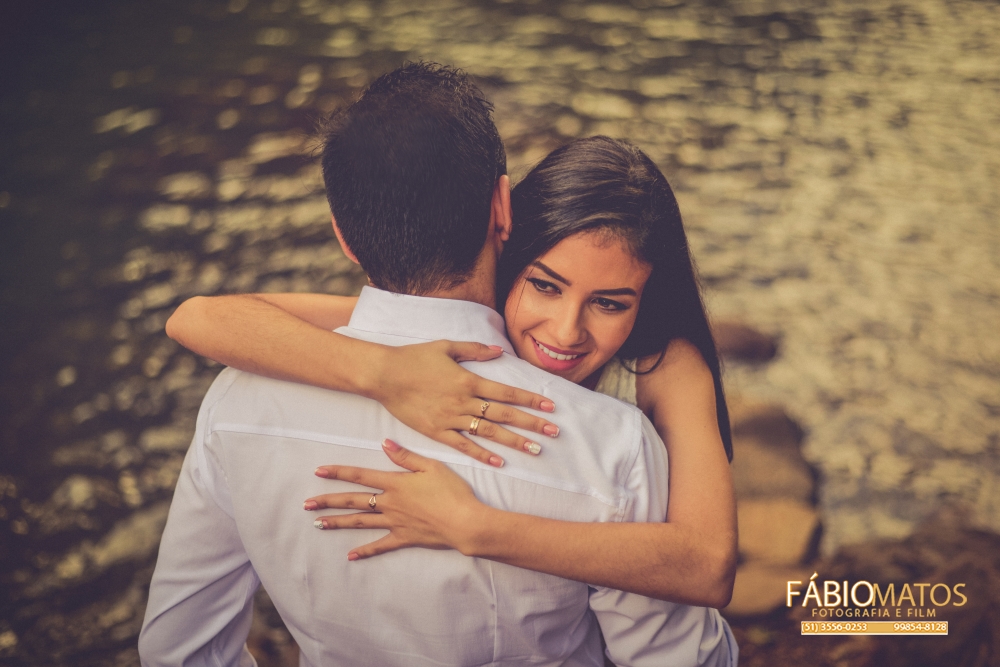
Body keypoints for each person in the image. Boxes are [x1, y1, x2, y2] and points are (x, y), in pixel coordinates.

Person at [140, 62, 735, 667]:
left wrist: (477, 525)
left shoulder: (236, 402)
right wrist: (382, 374)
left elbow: (177, 651)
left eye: (608, 302)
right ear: (503, 209)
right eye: (549, 286)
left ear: (343, 235)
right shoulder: (611, 447)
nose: (565, 330)